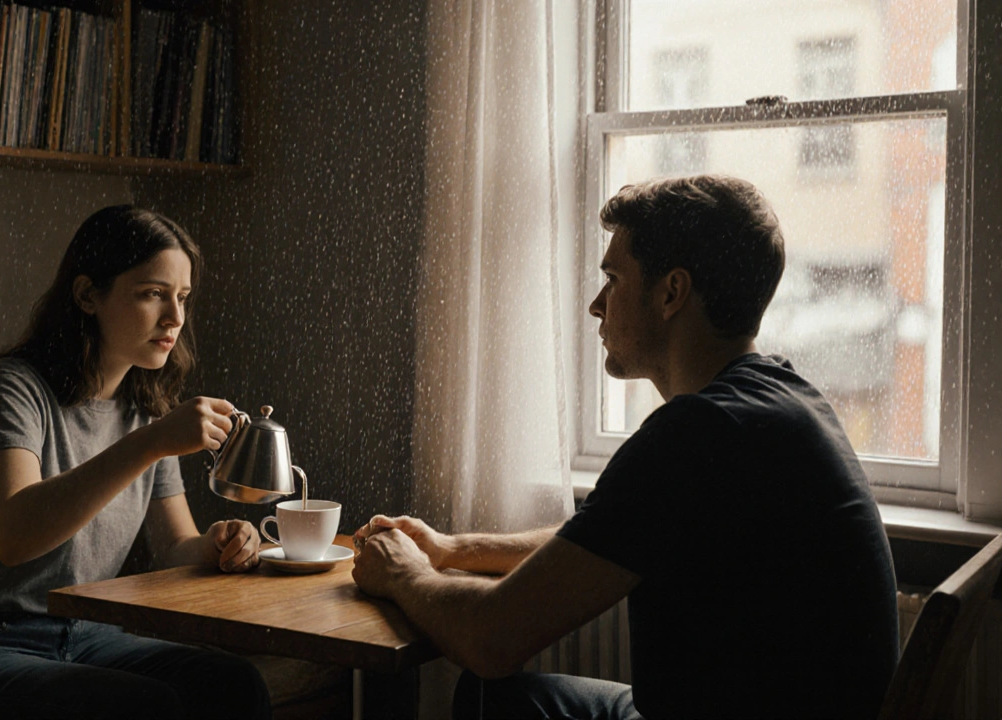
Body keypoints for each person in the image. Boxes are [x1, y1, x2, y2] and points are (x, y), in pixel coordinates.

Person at [352, 175, 900, 720]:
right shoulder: (778, 399)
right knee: (495, 701)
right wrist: (454, 551)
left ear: (671, 292)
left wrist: (404, 573)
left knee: (488, 688)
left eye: (613, 277)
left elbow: (490, 640)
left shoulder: (695, 436)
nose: (596, 304)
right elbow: (609, 534)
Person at [0, 205, 273, 720]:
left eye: (182, 298)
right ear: (87, 294)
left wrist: (219, 545)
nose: (176, 318)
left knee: (234, 684)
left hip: (82, 632)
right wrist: (151, 442)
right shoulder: (13, 390)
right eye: (152, 294)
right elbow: (14, 537)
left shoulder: (145, 410)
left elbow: (173, 547)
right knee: (143, 704)